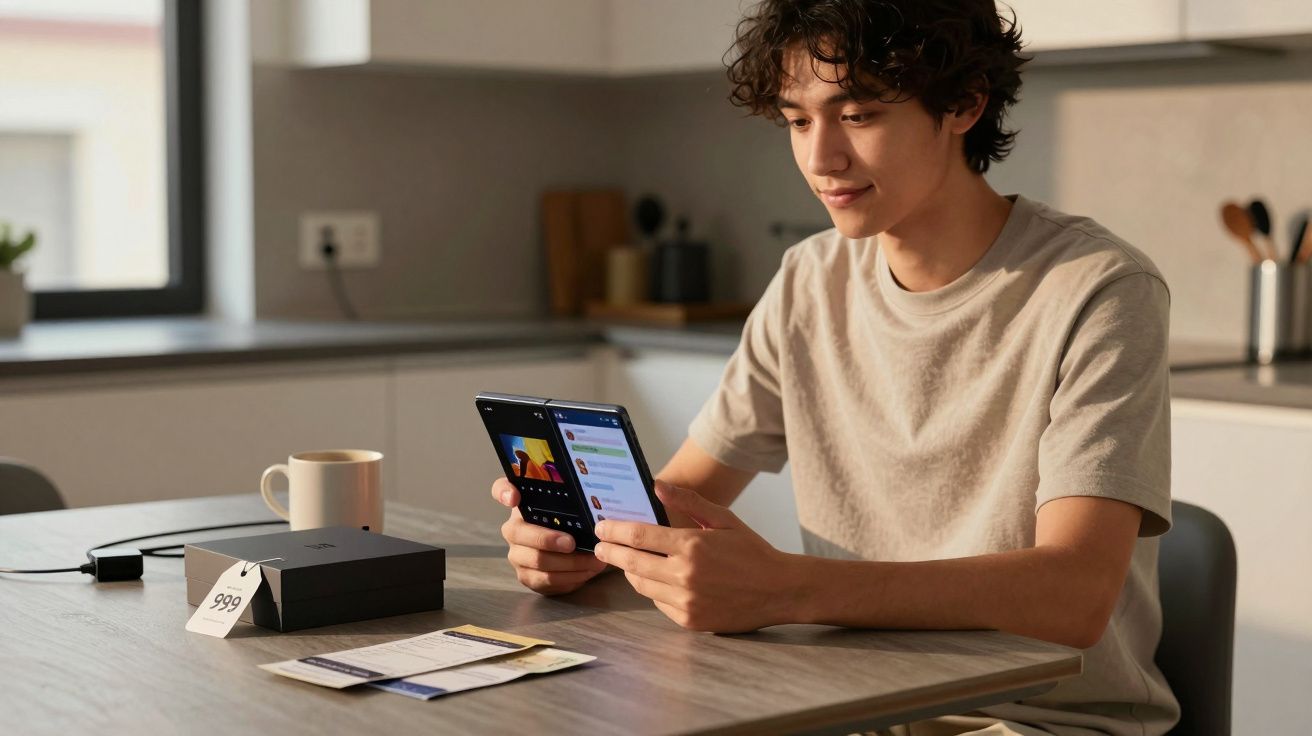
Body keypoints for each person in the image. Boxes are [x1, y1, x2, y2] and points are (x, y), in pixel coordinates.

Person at [490, 1, 1177, 734]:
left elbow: (1072, 595)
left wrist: (789, 590)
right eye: (797, 120)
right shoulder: (809, 279)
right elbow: (684, 495)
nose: (821, 159)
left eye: (859, 116)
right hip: (850, 706)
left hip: (1037, 723)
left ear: (964, 104)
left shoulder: (1099, 290)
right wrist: (588, 542)